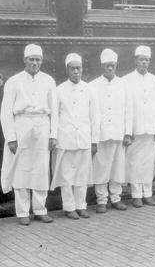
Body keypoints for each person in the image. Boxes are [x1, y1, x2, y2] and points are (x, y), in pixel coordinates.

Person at [0, 44, 57, 226]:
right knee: (21, 170)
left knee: (41, 169)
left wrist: (53, 134)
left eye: (38, 59)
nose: (34, 63)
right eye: (31, 59)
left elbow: (54, 111)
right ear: (25, 60)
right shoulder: (13, 81)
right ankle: (22, 212)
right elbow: (5, 112)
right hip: (21, 125)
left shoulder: (49, 81)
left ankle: (40, 210)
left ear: (42, 61)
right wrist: (11, 137)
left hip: (42, 126)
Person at [51, 53, 100, 219]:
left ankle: (81, 206)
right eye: (73, 69)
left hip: (84, 138)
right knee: (66, 176)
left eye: (78, 68)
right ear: (67, 70)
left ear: (82, 69)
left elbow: (95, 116)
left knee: (82, 175)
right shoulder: (59, 90)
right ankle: (69, 207)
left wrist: (94, 140)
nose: (76, 72)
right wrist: (55, 137)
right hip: (66, 139)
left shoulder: (89, 89)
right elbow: (55, 117)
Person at [125, 46, 155, 206]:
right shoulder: (127, 80)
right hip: (135, 130)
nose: (144, 62)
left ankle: (147, 193)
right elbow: (126, 107)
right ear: (136, 61)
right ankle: (136, 194)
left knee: (149, 163)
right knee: (134, 162)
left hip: (151, 129)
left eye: (147, 60)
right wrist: (128, 131)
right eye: (141, 59)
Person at [89, 49, 128, 213]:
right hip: (101, 134)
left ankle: (116, 198)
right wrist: (94, 137)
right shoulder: (92, 86)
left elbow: (129, 109)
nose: (110, 68)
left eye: (112, 65)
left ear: (116, 65)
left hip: (119, 132)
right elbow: (92, 114)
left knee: (117, 166)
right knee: (101, 167)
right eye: (107, 66)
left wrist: (128, 132)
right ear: (102, 66)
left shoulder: (124, 84)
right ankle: (102, 200)